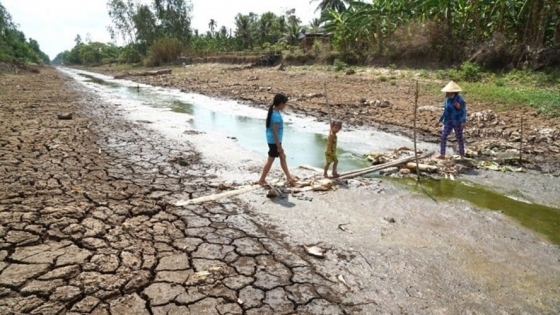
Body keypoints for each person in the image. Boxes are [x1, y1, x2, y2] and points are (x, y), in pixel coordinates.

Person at [258, 93, 298, 186]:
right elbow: (274, 131)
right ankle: (261, 179)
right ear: (280, 104)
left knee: (283, 157)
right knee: (271, 160)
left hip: (273, 140)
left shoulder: (274, 112)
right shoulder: (276, 116)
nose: (285, 106)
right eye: (284, 104)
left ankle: (289, 177)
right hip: (274, 141)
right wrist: (278, 146)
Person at [436, 81, 467, 159]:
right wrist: (440, 120)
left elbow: (463, 111)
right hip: (448, 121)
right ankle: (442, 154)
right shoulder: (447, 100)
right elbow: (445, 111)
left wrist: (463, 121)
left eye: (448, 92)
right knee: (443, 136)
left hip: (457, 121)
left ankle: (462, 155)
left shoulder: (459, 99)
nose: (446, 93)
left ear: (452, 92)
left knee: (459, 137)